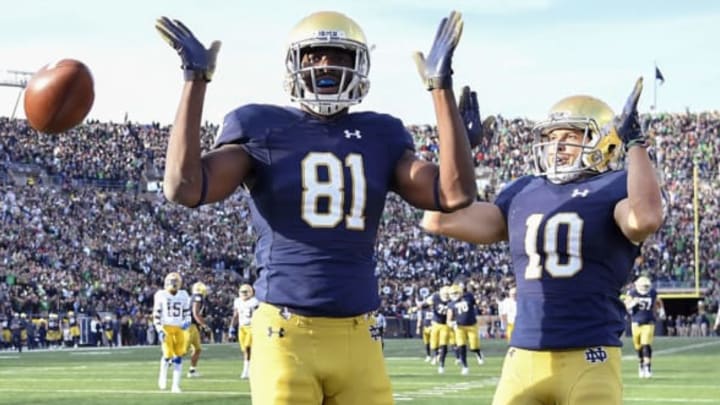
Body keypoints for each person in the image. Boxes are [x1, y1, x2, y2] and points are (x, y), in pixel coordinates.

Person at [156, 9, 477, 404]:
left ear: (359, 65)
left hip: (361, 335)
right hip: (285, 333)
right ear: (295, 63)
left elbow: (454, 194)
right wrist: (195, 81)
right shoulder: (261, 124)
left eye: (339, 55)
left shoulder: (382, 132)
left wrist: (439, 88)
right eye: (315, 55)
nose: (326, 64)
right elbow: (185, 188)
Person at [421, 78, 664, 404]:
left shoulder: (615, 185)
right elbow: (437, 218)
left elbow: (645, 219)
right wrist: (458, 148)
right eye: (551, 138)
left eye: (570, 136)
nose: (557, 146)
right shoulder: (523, 190)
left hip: (590, 355)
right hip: (522, 357)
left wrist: (636, 144)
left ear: (604, 142)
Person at [153, 272, 191, 393]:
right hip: (166, 327)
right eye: (172, 282)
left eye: (176, 282)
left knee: (178, 357)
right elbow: (156, 314)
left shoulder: (184, 294)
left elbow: (187, 313)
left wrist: (187, 321)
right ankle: (162, 376)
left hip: (179, 328)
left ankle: (175, 385)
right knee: (167, 354)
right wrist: (159, 329)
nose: (174, 284)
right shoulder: (161, 294)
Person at [624, 275, 663, 378]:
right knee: (638, 347)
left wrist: (661, 311)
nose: (645, 288)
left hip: (648, 322)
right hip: (635, 322)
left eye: (646, 286)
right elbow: (626, 305)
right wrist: (633, 303)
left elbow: (659, 301)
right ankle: (641, 364)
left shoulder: (652, 293)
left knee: (646, 345)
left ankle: (648, 367)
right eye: (643, 286)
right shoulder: (632, 293)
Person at [446, 283, 483, 375]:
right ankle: (465, 366)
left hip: (471, 325)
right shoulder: (451, 304)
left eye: (456, 293)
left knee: (474, 346)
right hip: (459, 327)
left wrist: (478, 297)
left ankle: (478, 353)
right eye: (452, 294)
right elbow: (448, 318)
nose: (454, 295)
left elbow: (477, 303)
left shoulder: (468, 297)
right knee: (461, 346)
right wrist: (450, 323)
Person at [231, 283, 259, 380]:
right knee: (244, 350)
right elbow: (235, 315)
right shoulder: (237, 301)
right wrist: (232, 327)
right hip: (241, 327)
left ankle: (246, 371)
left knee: (248, 347)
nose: (244, 294)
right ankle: (250, 368)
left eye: (246, 292)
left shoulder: (254, 302)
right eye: (243, 292)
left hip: (252, 326)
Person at [186, 281, 210, 378]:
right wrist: (205, 326)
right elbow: (195, 313)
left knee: (197, 349)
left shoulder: (193, 297)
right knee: (183, 350)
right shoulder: (197, 297)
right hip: (189, 325)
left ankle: (192, 371)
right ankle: (169, 360)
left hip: (194, 326)